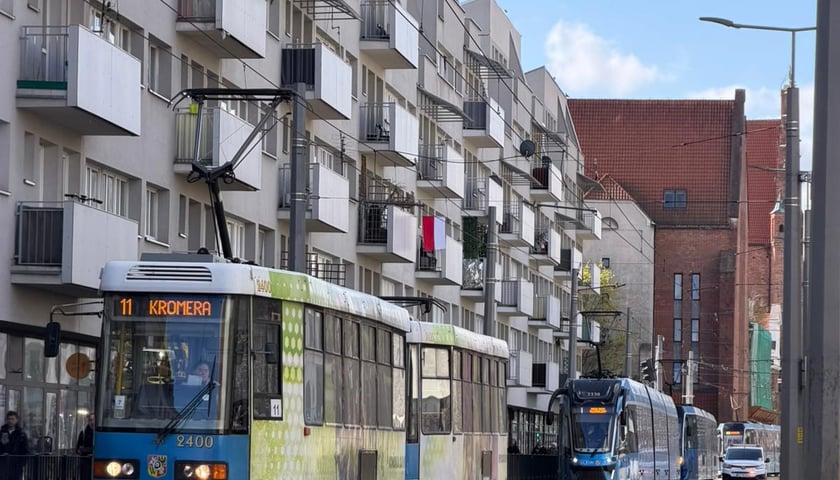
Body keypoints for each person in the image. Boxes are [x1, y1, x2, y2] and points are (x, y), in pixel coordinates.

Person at [0, 411, 29, 480]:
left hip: (16, 464)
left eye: (12, 419)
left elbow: (24, 449)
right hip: (3, 464)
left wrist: (22, 463)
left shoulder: (21, 434)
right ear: (6, 420)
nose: (10, 421)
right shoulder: (2, 433)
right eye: (9, 419)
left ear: (17, 420)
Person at [76, 414, 94, 480]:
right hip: (85, 461)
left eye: (93, 420)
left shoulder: (100, 434)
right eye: (90, 420)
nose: (92, 422)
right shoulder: (83, 433)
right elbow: (77, 448)